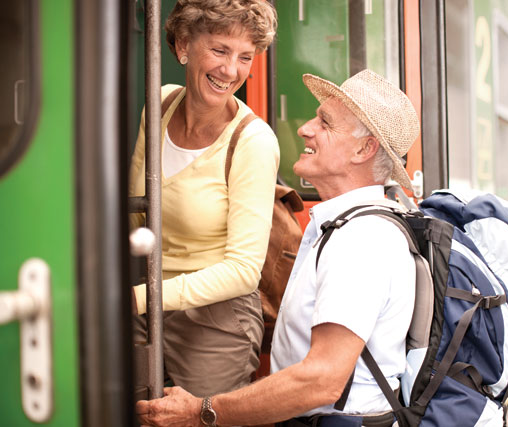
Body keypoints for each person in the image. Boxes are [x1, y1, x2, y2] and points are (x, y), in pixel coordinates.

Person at [136, 69, 421, 427]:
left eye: (325, 123)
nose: (305, 129)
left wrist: (202, 411)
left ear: (364, 149)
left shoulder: (360, 241)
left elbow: (321, 380)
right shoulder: (344, 228)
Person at [129, 0, 278, 397]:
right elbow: (135, 211)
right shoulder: (159, 104)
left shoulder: (253, 142)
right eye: (219, 50)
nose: (231, 70)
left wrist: (140, 298)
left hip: (217, 315)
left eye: (245, 57)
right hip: (145, 295)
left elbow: (245, 269)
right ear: (182, 45)